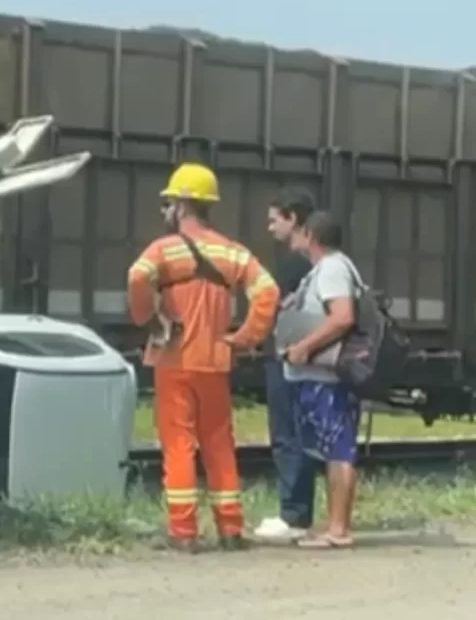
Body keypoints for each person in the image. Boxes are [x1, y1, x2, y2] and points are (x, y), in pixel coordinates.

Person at [127, 161, 279, 552]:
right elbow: (268, 292)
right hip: (215, 362)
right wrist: (245, 337)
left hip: (174, 363)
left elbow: (136, 277)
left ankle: (184, 532)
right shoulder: (232, 252)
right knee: (219, 444)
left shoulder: (164, 249)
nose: (164, 212)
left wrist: (150, 318)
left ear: (181, 205)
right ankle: (230, 529)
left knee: (178, 445)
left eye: (167, 204)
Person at [278, 210, 361, 549]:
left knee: (338, 449)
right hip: (317, 378)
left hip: (326, 379)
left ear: (310, 235)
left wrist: (303, 347)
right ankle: (334, 525)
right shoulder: (329, 269)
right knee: (331, 448)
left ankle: (338, 529)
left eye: (300, 232)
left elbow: (342, 317)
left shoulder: (332, 268)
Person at [253, 188, 317, 542]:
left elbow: (273, 307)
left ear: (293, 218)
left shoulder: (293, 263)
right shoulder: (313, 261)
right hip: (299, 358)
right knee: (299, 434)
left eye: (274, 219)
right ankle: (298, 513)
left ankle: (292, 515)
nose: (270, 227)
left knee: (286, 435)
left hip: (285, 357)